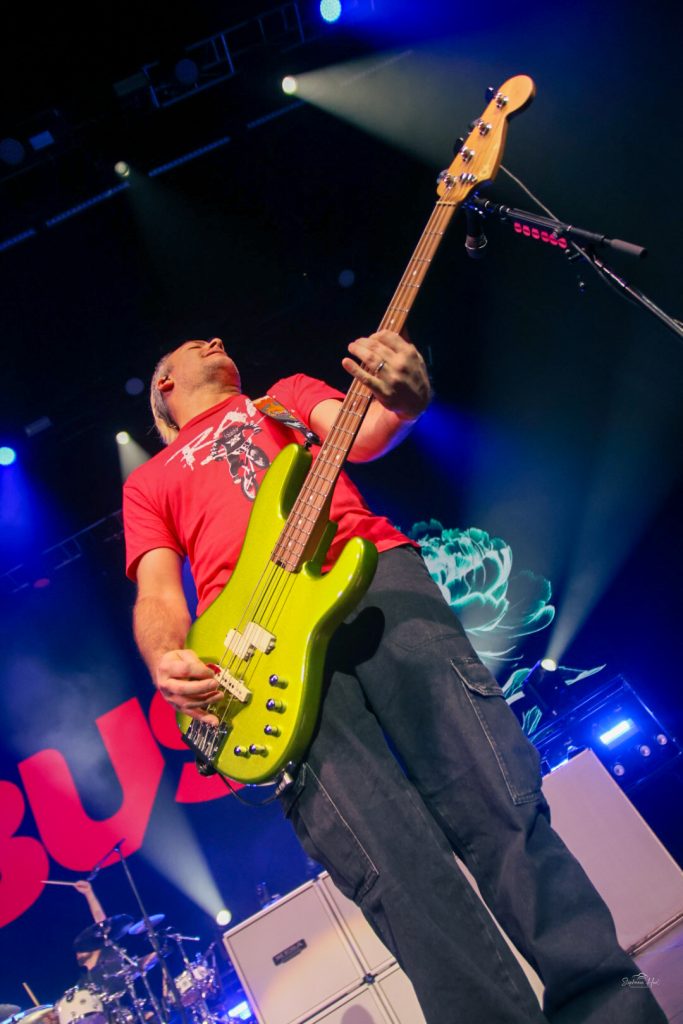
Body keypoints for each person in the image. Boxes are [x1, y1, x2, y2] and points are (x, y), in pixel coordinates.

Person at [123, 332, 666, 1024]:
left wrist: (406, 402)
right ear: (165, 386)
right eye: (194, 344)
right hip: (263, 659)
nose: (217, 339)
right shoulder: (149, 481)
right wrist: (165, 658)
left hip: (375, 577)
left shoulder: (282, 398)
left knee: (497, 803)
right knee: (395, 874)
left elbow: (366, 432)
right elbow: (157, 593)